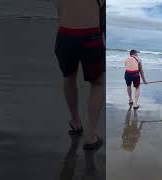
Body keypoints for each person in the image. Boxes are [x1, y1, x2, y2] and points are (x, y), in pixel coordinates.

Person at [54, 0, 105, 150]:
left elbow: (60, 10)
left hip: (65, 34)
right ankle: (90, 136)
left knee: (69, 77)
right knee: (97, 83)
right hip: (90, 35)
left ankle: (76, 122)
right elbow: (102, 17)